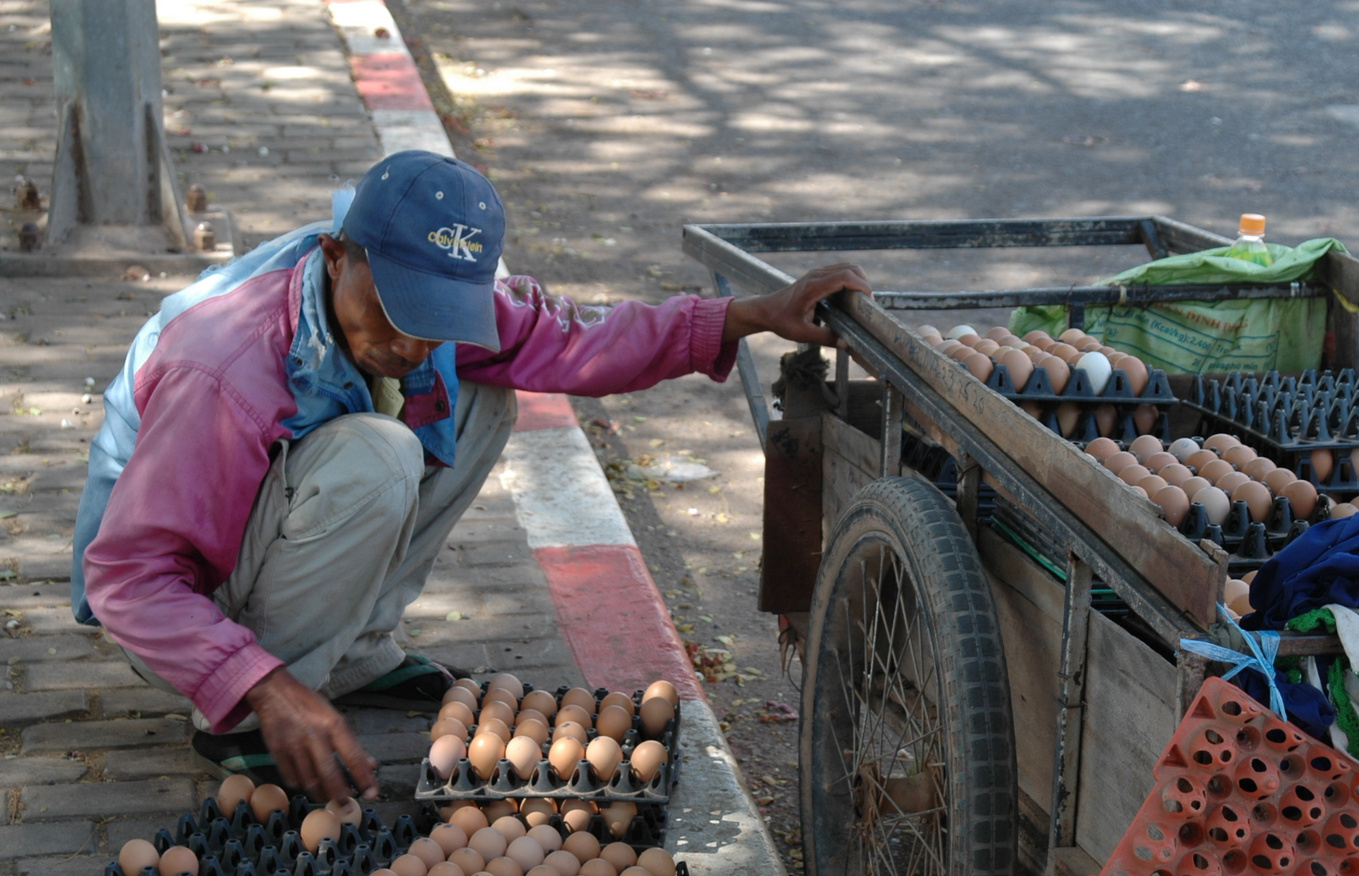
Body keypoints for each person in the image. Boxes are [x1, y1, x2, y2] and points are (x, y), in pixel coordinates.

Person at [71, 150, 868, 803]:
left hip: (252, 542)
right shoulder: (225, 370)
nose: (412, 342)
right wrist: (264, 686)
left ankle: (352, 655)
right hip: (177, 610)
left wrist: (751, 314)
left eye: (435, 316)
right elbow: (130, 581)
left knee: (481, 391)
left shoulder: (413, 315)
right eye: (394, 311)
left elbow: (573, 340)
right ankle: (253, 711)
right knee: (378, 451)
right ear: (336, 257)